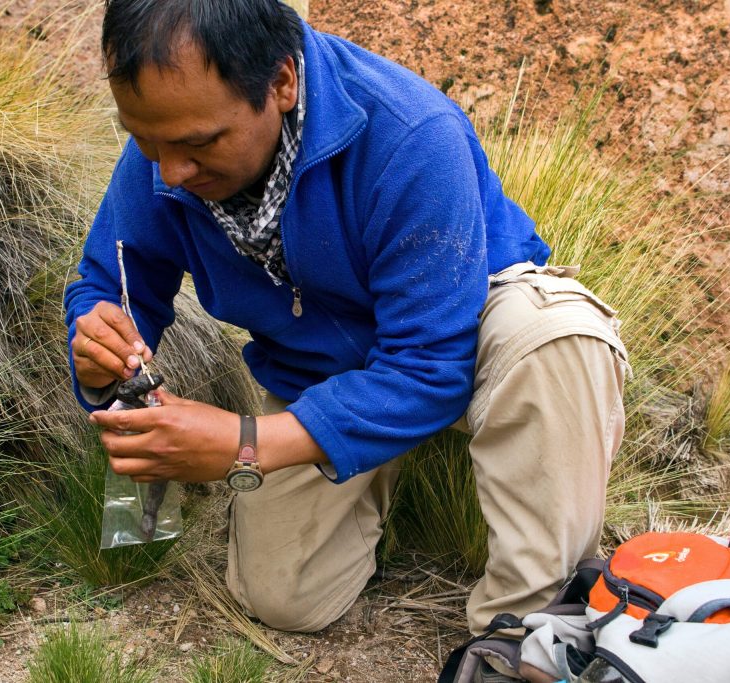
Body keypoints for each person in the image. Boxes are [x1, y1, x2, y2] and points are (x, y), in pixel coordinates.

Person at [64, 0, 629, 659]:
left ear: (282, 83)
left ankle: (525, 632)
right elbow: (111, 279)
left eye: (197, 145)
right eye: (145, 141)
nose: (169, 173)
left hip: (470, 329)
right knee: (282, 597)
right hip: (322, 364)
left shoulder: (411, 134)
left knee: (555, 337)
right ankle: (381, 479)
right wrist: (98, 343)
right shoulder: (170, 146)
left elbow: (430, 364)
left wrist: (246, 444)